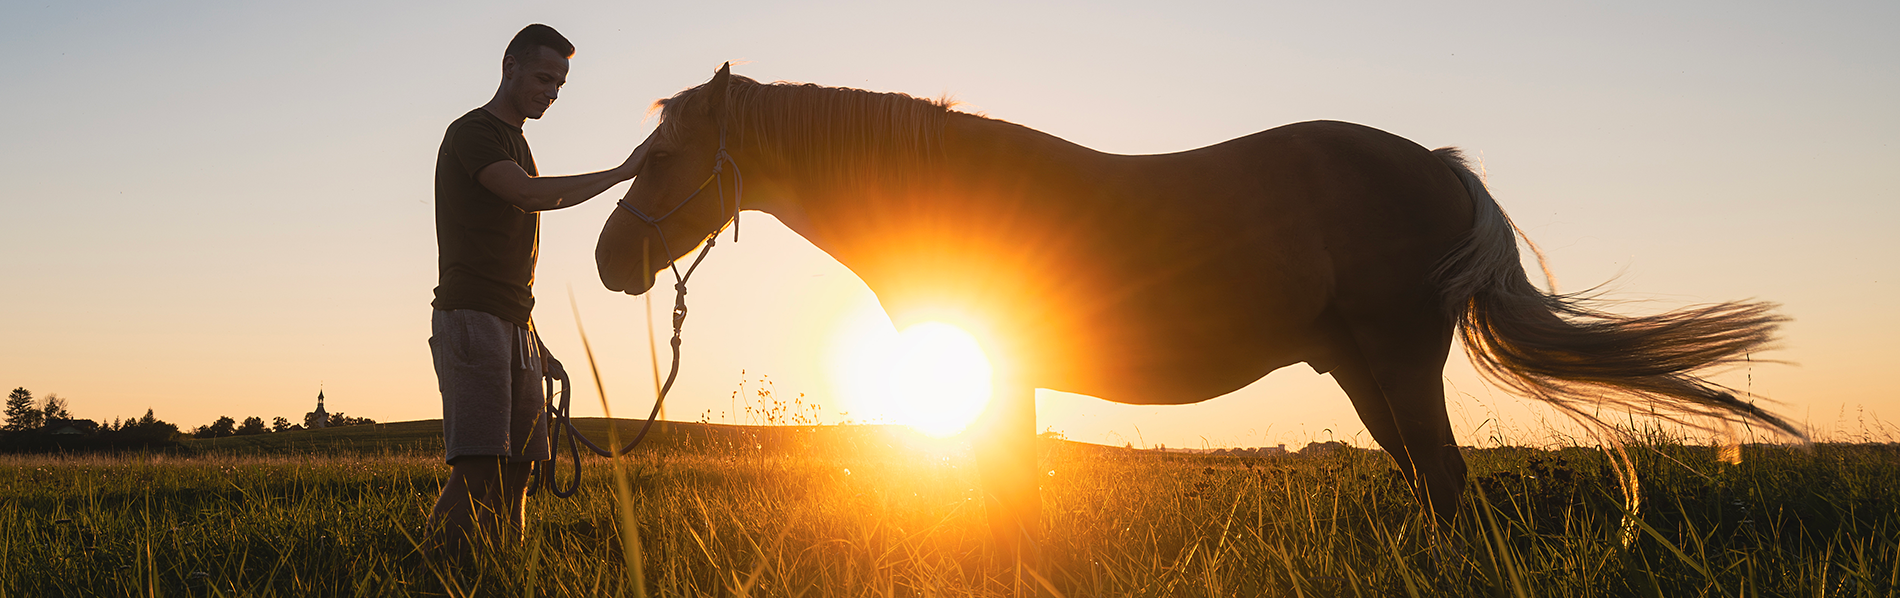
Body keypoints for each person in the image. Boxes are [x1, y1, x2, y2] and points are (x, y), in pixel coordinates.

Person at [428, 23, 645, 557]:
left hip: (512, 321)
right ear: (510, 66)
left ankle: (505, 570)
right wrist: (623, 172)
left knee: (523, 467)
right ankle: (429, 576)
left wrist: (532, 337)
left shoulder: (519, 144)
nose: (551, 92)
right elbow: (527, 196)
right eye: (544, 77)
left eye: (560, 85)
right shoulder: (472, 133)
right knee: (479, 468)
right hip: (471, 318)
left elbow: (509, 262)